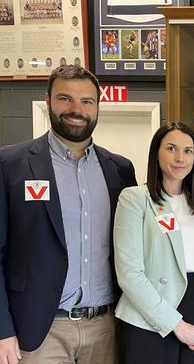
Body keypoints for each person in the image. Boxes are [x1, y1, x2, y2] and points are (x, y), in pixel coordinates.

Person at [0, 65, 137, 364]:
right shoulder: (10, 164)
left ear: (98, 106)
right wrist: (2, 331)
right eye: (65, 98)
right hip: (39, 331)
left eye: (87, 101)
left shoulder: (120, 171)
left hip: (106, 328)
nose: (77, 109)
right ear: (48, 100)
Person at [113, 122, 194, 364]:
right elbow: (129, 273)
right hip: (148, 320)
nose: (180, 158)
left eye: (188, 151)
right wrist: (176, 324)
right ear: (156, 153)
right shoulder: (135, 199)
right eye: (171, 148)